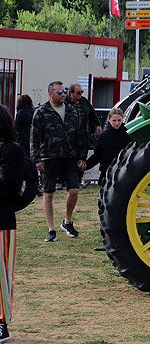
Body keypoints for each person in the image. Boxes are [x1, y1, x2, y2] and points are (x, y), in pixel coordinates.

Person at [30, 81, 87, 242]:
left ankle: (67, 222)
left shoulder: (72, 111)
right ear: (51, 94)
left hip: (69, 156)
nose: (63, 94)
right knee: (48, 193)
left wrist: (82, 156)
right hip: (49, 157)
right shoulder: (41, 112)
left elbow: (80, 134)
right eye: (59, 92)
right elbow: (34, 138)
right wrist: (36, 160)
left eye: (64, 91)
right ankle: (51, 229)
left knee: (74, 190)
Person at [0, 104, 24, 342]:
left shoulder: (11, 151)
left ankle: (1, 323)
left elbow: (10, 185)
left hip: (2, 221)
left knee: (2, 275)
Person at [84, 107, 129, 186]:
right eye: (114, 121)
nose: (117, 123)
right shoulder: (104, 136)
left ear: (123, 119)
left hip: (123, 171)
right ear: (109, 119)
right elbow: (98, 155)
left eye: (119, 120)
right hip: (107, 171)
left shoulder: (128, 134)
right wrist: (86, 165)